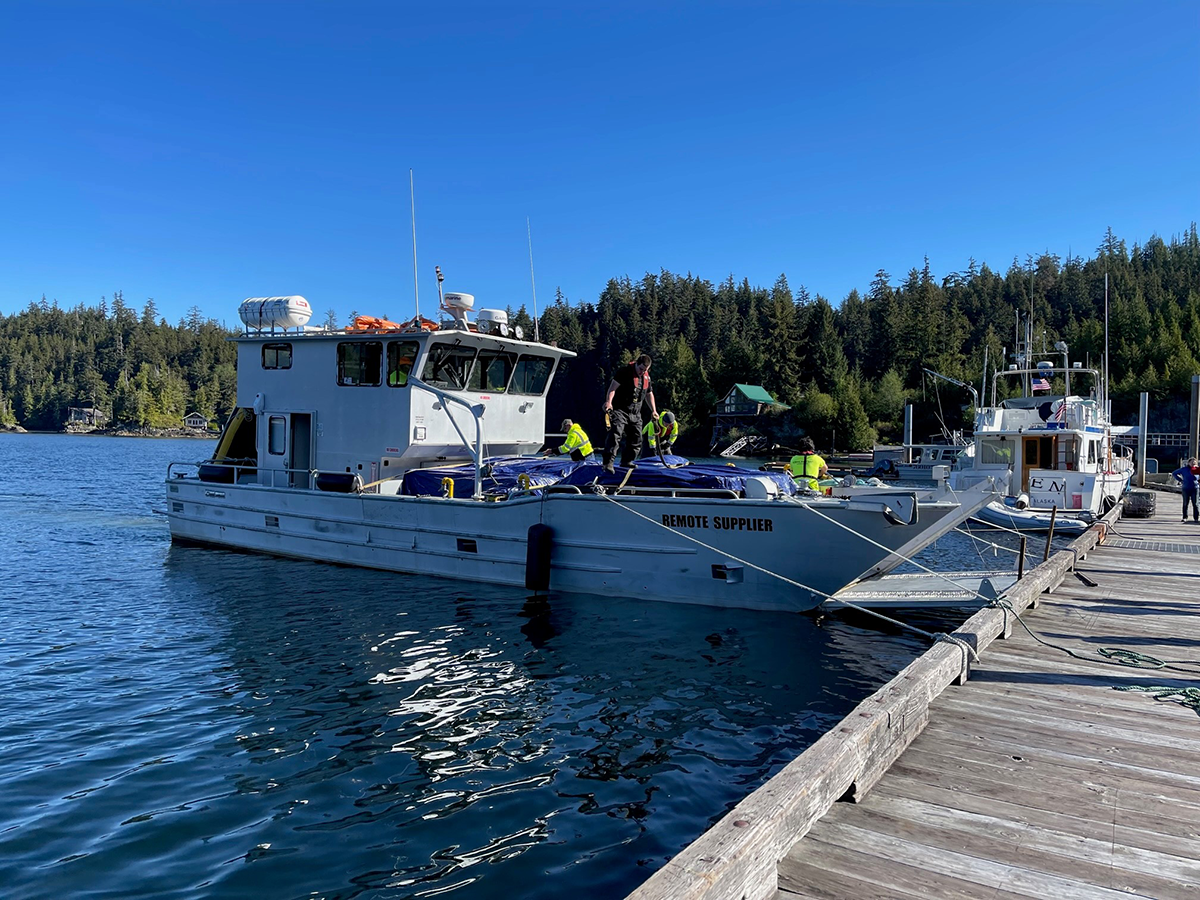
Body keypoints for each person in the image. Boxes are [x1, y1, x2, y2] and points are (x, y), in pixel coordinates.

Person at [602, 354, 659, 472]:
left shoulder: (647, 378)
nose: (642, 372)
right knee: (616, 433)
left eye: (645, 370)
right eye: (641, 369)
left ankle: (627, 460)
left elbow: (649, 394)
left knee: (637, 437)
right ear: (637, 364)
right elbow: (612, 388)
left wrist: (654, 410)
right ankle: (608, 463)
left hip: (635, 411)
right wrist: (608, 402)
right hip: (620, 409)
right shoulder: (624, 372)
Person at [1172, 457, 1200, 522]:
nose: (1193, 463)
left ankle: (1196, 518)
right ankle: (1185, 517)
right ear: (1188, 463)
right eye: (1191, 462)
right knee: (1185, 503)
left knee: (1195, 504)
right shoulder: (1184, 469)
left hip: (1195, 488)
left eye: (1194, 462)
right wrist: (1180, 480)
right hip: (1186, 488)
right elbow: (1174, 473)